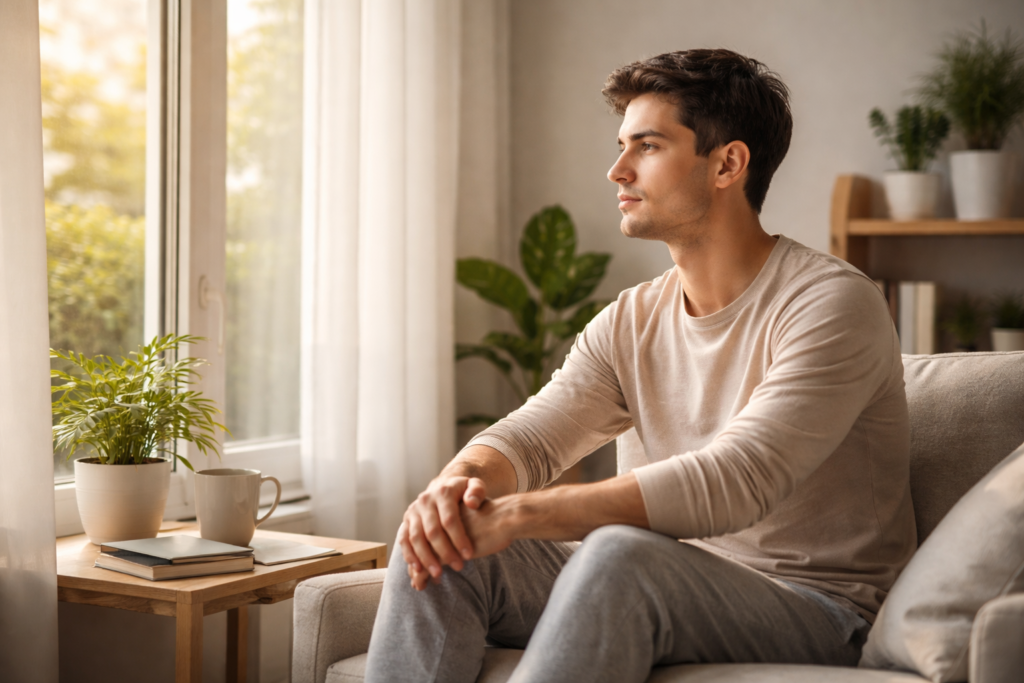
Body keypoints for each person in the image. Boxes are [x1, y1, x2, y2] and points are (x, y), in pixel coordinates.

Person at [364, 48, 916, 683]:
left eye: (646, 147)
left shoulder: (832, 302)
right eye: (622, 145)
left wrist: (522, 513)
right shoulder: (630, 320)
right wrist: (455, 490)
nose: (616, 170)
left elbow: (737, 480)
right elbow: (530, 437)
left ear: (728, 164)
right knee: (440, 546)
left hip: (818, 610)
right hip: (658, 577)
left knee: (620, 553)